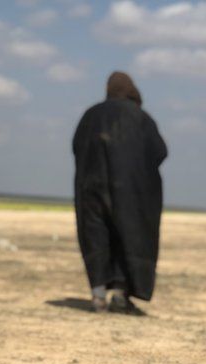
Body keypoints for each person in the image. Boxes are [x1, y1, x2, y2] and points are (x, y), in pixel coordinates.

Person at [72, 71, 167, 314]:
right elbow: (160, 152)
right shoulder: (141, 118)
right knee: (130, 237)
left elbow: (76, 147)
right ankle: (121, 296)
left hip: (90, 189)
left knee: (96, 235)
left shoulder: (91, 115)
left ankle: (98, 296)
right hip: (131, 194)